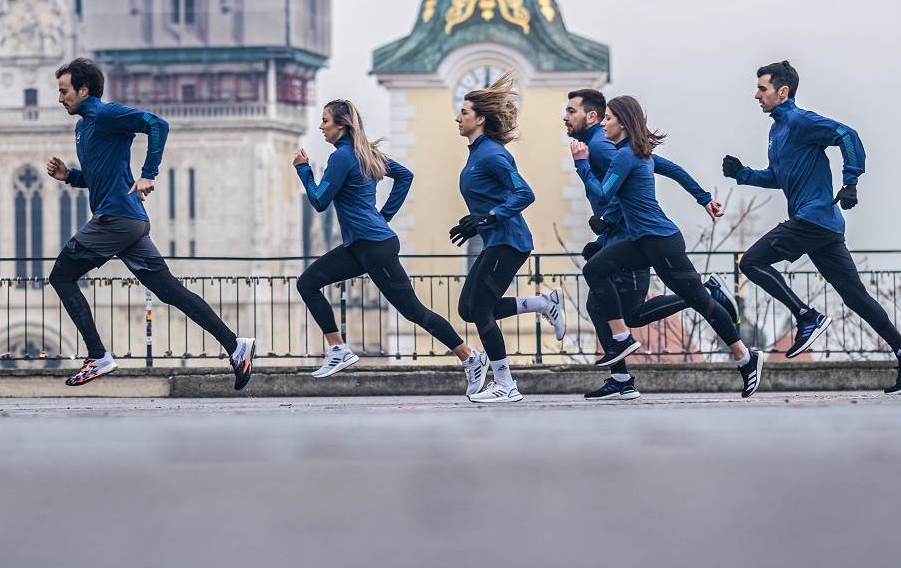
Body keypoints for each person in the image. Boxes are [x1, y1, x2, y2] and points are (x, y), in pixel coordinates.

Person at [723, 60, 901, 395]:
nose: (756, 95)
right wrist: (743, 174)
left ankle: (807, 317)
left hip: (812, 218)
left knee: (751, 262)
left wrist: (851, 181)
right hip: (823, 227)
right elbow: (780, 177)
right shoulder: (777, 130)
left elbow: (847, 135)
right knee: (856, 298)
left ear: (782, 91)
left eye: (761, 89)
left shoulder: (798, 120)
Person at [45, 58, 256, 389]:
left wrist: (149, 173)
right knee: (169, 291)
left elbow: (158, 124)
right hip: (128, 221)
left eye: (64, 90)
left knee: (61, 275)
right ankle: (236, 345)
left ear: (84, 90)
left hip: (115, 219)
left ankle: (97, 355)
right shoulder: (83, 126)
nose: (60, 98)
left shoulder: (106, 113)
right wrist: (70, 176)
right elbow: (104, 176)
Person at [294, 100, 489, 394]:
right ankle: (338, 348)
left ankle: (471, 357)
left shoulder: (343, 157)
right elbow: (404, 176)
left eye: (325, 121)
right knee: (308, 283)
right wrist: (382, 218)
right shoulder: (365, 153)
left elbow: (320, 201)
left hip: (374, 246)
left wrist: (304, 170)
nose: (321, 126)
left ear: (341, 125)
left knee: (412, 310)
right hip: (365, 244)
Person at [580, 96, 765, 398]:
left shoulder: (627, 156)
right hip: (644, 241)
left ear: (623, 124)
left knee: (700, 302)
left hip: (661, 243)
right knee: (595, 269)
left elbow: (601, 195)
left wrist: (582, 164)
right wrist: (703, 197)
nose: (602, 124)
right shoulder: (634, 153)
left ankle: (746, 357)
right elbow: (675, 170)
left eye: (608, 119)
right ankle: (622, 337)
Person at [449, 73, 564, 404]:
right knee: (468, 309)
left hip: (510, 241)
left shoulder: (492, 155)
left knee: (481, 310)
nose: (458, 118)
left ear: (480, 119)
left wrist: (488, 217)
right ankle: (543, 303)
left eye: (465, 113)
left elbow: (524, 193)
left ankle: (505, 383)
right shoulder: (477, 153)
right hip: (496, 241)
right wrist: (478, 222)